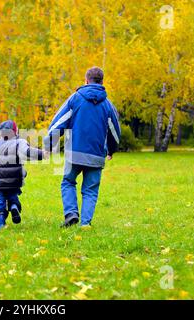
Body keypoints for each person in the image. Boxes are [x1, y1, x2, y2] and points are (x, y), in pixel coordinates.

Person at [44, 67, 121, 228]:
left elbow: (59, 123)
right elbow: (115, 130)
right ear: (102, 82)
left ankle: (71, 213)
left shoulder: (75, 99)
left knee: (68, 182)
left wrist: (49, 144)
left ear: (86, 80)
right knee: (91, 190)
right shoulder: (107, 105)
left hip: (75, 153)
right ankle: (85, 224)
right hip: (97, 155)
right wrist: (111, 149)